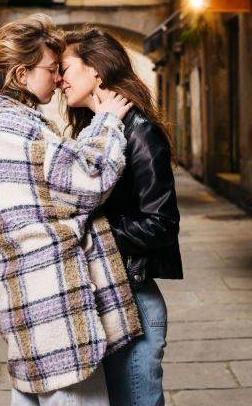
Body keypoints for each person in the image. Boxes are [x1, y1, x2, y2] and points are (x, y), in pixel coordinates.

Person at [0, 14, 142, 405]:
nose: (59, 78)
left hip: (30, 303)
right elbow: (87, 182)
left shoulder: (2, 123)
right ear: (22, 75)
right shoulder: (17, 127)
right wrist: (108, 122)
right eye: (52, 69)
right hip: (51, 305)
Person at [60, 27, 183, 406]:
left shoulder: (140, 132)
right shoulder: (96, 132)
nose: (60, 79)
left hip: (133, 297)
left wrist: (92, 235)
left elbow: (162, 222)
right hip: (106, 293)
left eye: (66, 68)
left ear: (95, 72)